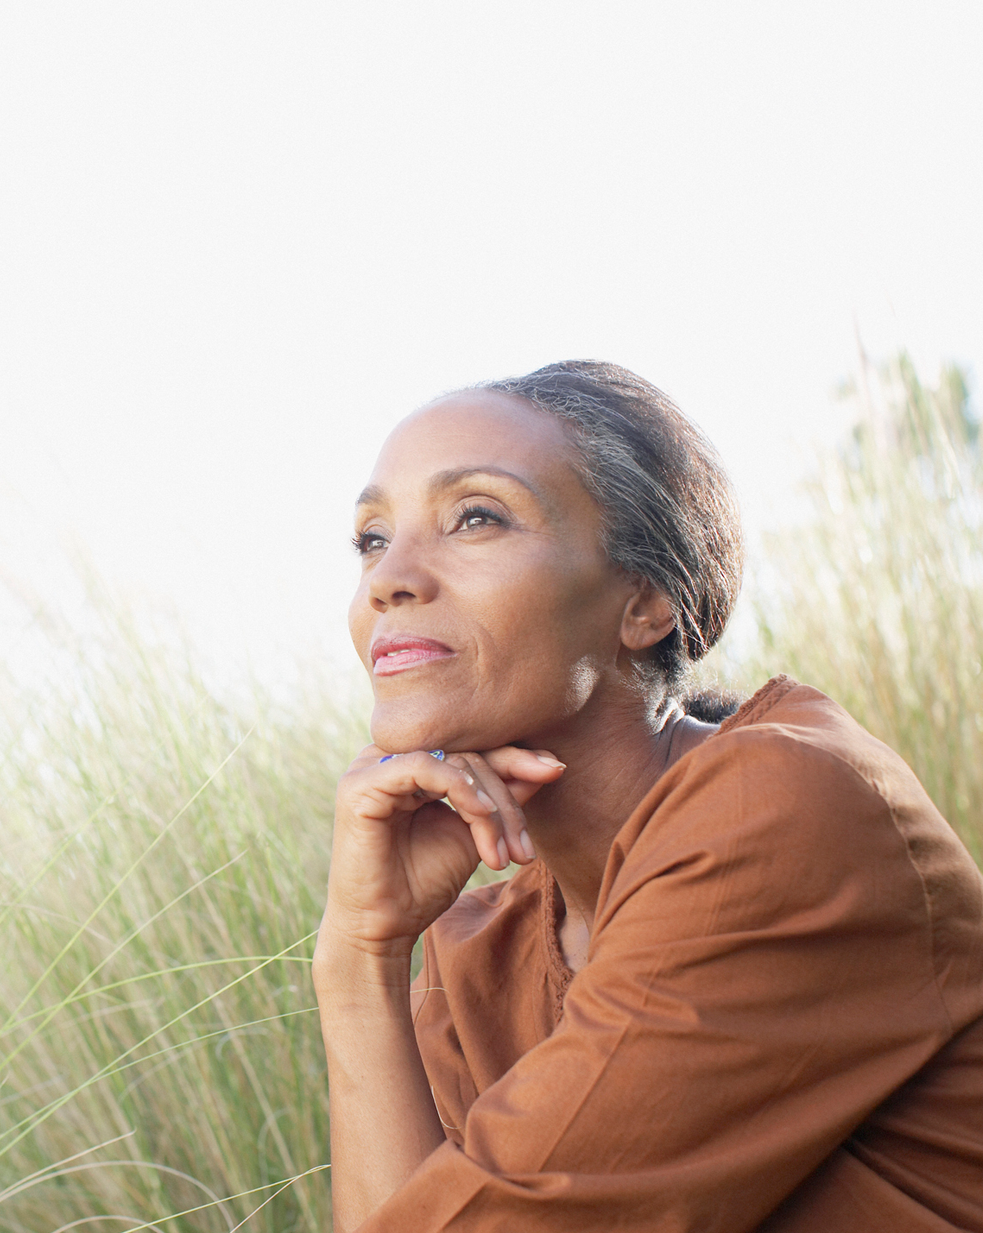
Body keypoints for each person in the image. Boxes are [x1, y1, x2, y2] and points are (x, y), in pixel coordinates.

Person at [312, 361, 983, 1233]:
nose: (387, 579)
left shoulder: (780, 805)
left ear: (647, 598)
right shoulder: (476, 952)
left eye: (475, 516)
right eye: (371, 538)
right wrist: (359, 957)